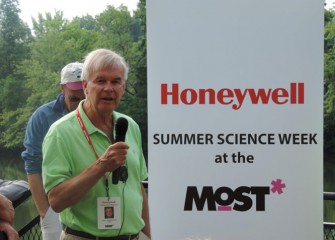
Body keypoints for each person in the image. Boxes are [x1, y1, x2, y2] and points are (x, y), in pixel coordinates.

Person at [42, 48, 151, 240]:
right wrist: (102, 166)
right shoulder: (60, 133)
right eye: (100, 81)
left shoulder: (130, 126)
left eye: (116, 81)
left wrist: (149, 234)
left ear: (123, 88)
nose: (109, 88)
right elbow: (56, 201)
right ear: (85, 86)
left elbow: (138, 187)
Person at [21, 62, 85, 240]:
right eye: (74, 97)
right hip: (55, 206)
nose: (80, 103)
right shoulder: (42, 116)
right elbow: (32, 165)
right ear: (63, 89)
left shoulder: (99, 113)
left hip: (89, 204)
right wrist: (45, 212)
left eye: (84, 96)